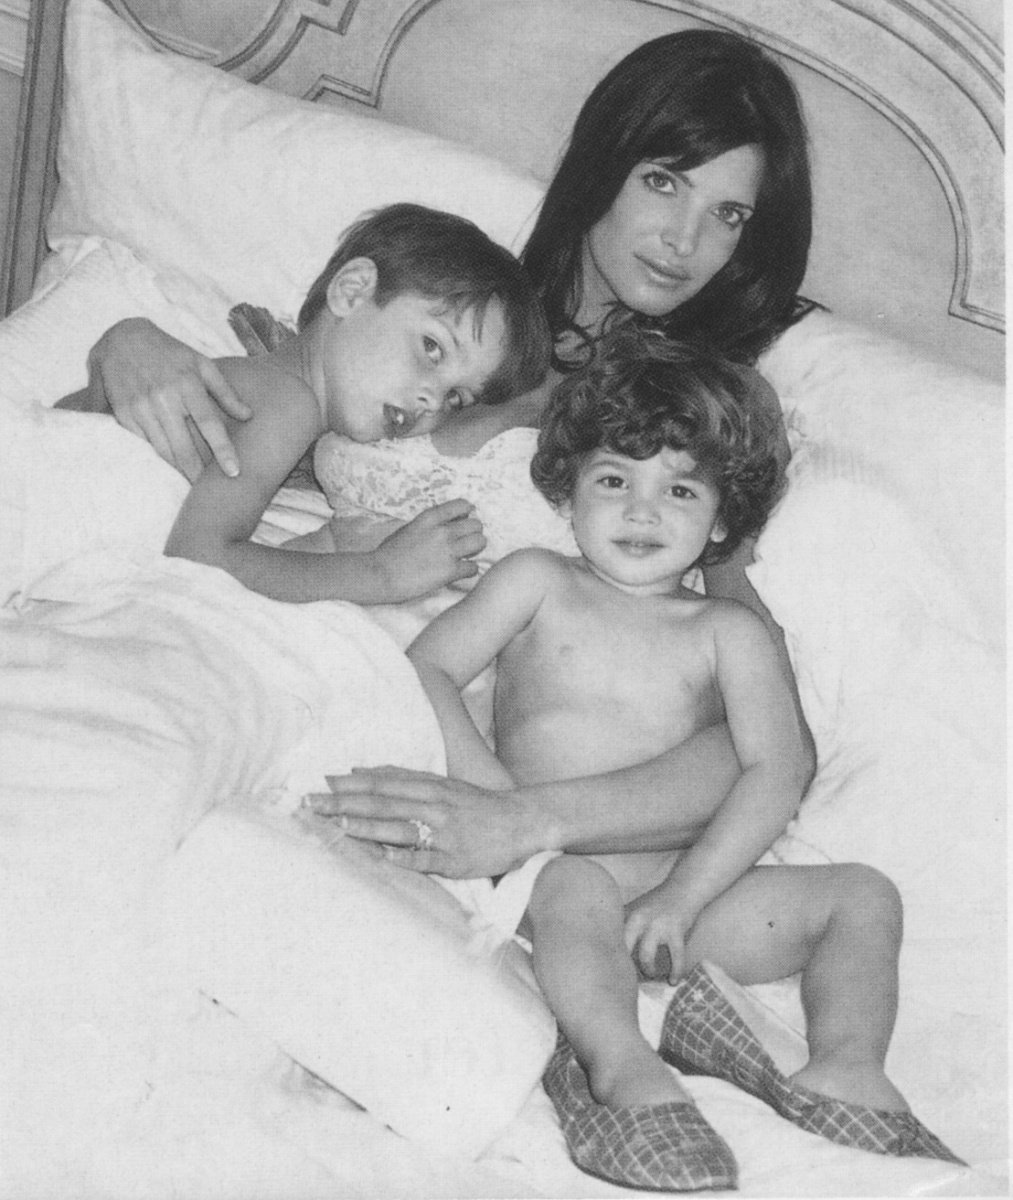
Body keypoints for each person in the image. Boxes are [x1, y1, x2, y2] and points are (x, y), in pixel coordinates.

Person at [82, 28, 817, 870]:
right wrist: (125, 343)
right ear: (602, 164)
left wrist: (528, 821)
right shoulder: (454, 313)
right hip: (253, 656)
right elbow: (250, 421)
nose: (684, 239)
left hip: (432, 763)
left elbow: (772, 747)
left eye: (727, 214)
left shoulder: (687, 422)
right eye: (662, 181)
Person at [403, 329, 962, 1191]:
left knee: (861, 895)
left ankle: (845, 1067)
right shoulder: (535, 581)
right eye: (613, 481)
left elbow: (776, 770)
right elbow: (426, 667)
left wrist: (682, 896)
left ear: (721, 520)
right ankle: (620, 1067)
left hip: (673, 901)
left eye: (679, 490)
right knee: (577, 886)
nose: (642, 511)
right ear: (567, 491)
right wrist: (488, 788)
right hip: (546, 881)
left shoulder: (726, 632)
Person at [56, 204, 550, 604]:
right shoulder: (287, 403)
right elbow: (198, 558)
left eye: (456, 398)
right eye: (432, 348)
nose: (432, 399)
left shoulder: (273, 401)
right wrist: (383, 573)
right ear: (352, 291)